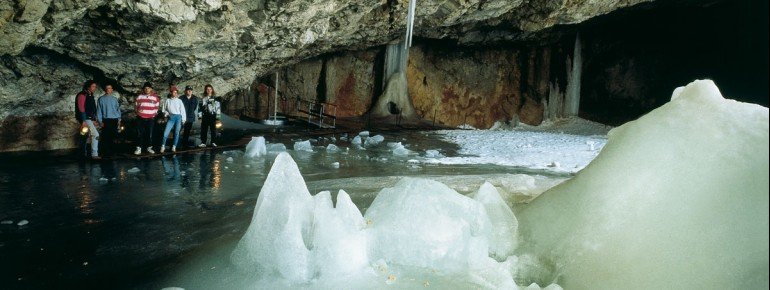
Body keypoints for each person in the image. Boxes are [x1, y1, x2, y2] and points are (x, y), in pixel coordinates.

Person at [75, 80, 100, 159]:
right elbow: (81, 108)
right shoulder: (82, 95)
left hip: (90, 118)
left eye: (95, 86)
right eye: (93, 86)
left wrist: (94, 119)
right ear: (88, 86)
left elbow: (92, 108)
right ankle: (94, 154)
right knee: (96, 134)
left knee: (84, 136)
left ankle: (82, 154)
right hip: (85, 118)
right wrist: (83, 121)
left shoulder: (91, 95)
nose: (94, 88)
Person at [135, 82, 160, 155]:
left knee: (149, 134)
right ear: (143, 89)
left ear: (151, 89)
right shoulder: (139, 97)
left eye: (148, 88)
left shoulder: (155, 98)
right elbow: (135, 107)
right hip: (140, 118)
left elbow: (156, 108)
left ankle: (149, 148)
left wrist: (153, 115)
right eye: (145, 88)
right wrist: (138, 113)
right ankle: (139, 148)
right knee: (139, 133)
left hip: (150, 119)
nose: (147, 89)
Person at [96, 84, 121, 156]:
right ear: (105, 89)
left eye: (109, 88)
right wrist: (100, 121)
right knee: (105, 137)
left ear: (112, 90)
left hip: (114, 119)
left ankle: (112, 152)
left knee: (113, 136)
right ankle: (105, 153)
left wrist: (119, 119)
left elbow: (117, 110)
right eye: (107, 88)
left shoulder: (114, 99)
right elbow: (99, 111)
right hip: (106, 120)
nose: (108, 89)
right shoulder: (101, 99)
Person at [160, 86, 186, 153]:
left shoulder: (179, 101)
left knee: (177, 132)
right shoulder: (167, 100)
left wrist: (183, 120)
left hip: (178, 117)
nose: (175, 94)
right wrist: (168, 114)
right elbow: (163, 110)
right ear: (171, 93)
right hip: (171, 117)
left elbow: (182, 110)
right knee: (165, 133)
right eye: (174, 92)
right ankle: (163, 146)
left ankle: (174, 147)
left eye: (176, 92)